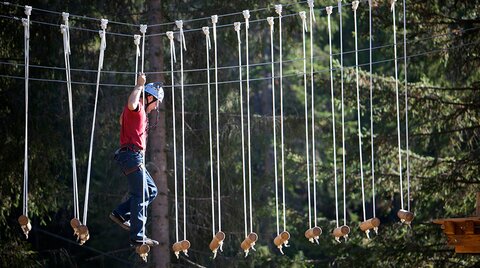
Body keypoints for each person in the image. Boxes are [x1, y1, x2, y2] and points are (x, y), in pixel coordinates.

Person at [109, 73, 164, 246]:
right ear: (150, 97)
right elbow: (131, 103)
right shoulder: (138, 107)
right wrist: (140, 85)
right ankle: (138, 237)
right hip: (131, 156)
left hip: (134, 156)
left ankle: (119, 214)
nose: (156, 107)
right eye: (156, 102)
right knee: (141, 194)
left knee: (151, 190)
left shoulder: (139, 114)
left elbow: (121, 120)